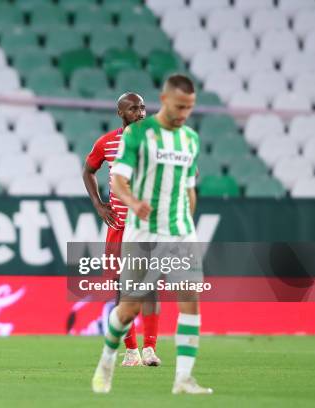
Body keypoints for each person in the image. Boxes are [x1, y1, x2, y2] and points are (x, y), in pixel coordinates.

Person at [91, 74, 213, 395]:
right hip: (141, 229)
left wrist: (188, 219)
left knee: (190, 300)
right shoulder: (135, 138)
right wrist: (130, 202)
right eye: (179, 105)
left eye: (190, 107)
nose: (184, 113)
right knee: (130, 304)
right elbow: (117, 179)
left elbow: (189, 186)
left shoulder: (190, 139)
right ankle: (108, 359)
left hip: (178, 231)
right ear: (166, 99)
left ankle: (183, 378)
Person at [83, 92, 161, 367]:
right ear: (121, 113)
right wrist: (99, 204)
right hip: (119, 227)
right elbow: (88, 170)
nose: (140, 113)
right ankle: (131, 351)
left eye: (142, 107)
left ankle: (150, 348)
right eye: (133, 108)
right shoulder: (106, 143)